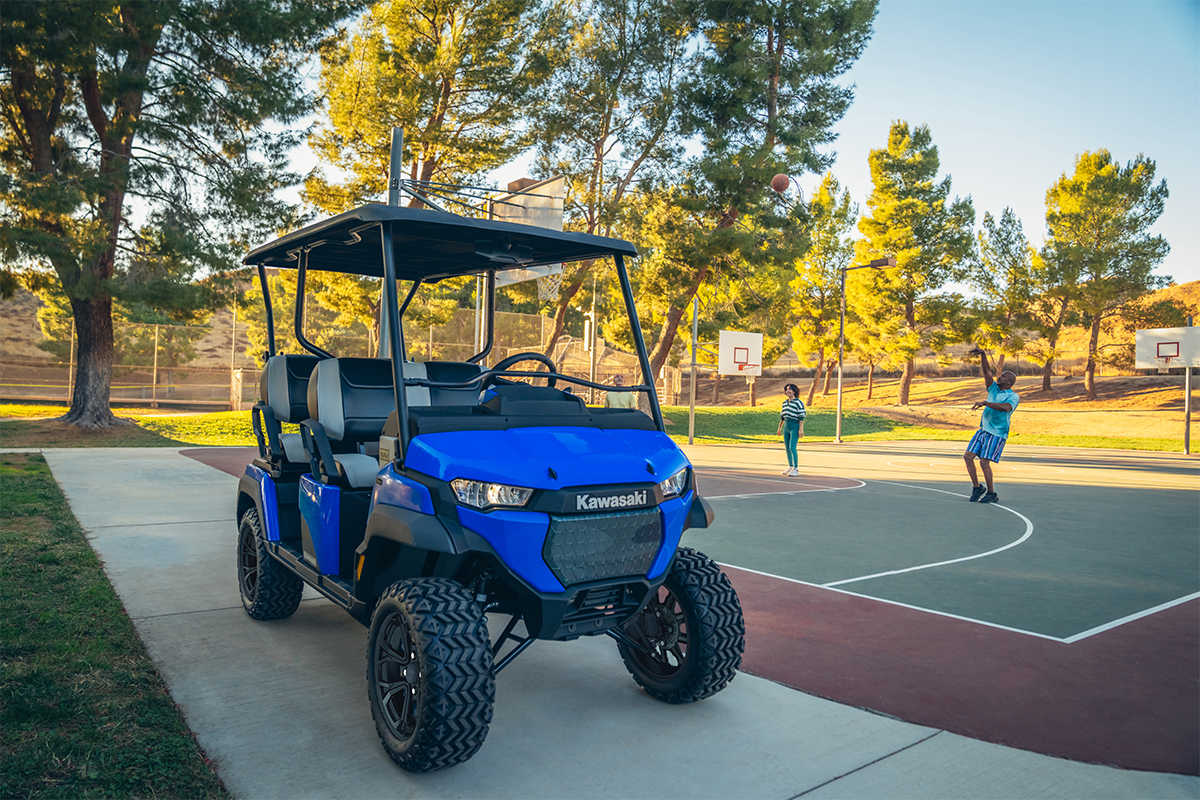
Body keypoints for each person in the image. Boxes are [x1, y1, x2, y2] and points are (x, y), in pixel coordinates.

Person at [963, 347, 1019, 504]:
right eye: (1000, 376)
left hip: (997, 433)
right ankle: (976, 487)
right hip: (983, 431)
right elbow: (987, 371)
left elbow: (1006, 408)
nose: (999, 378)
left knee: (984, 462)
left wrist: (985, 403)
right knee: (968, 457)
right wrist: (983, 355)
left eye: (1003, 377)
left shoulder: (1013, 396)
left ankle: (991, 493)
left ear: (1010, 382)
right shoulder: (993, 388)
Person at [775, 383, 806, 476]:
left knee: (792, 447)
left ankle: (796, 469)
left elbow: (802, 416)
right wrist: (779, 428)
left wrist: (801, 429)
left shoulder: (798, 402)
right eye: (787, 389)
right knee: (787, 448)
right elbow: (782, 416)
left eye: (790, 389)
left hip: (795, 426)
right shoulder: (785, 403)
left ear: (794, 391)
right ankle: (790, 466)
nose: (788, 391)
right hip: (786, 426)